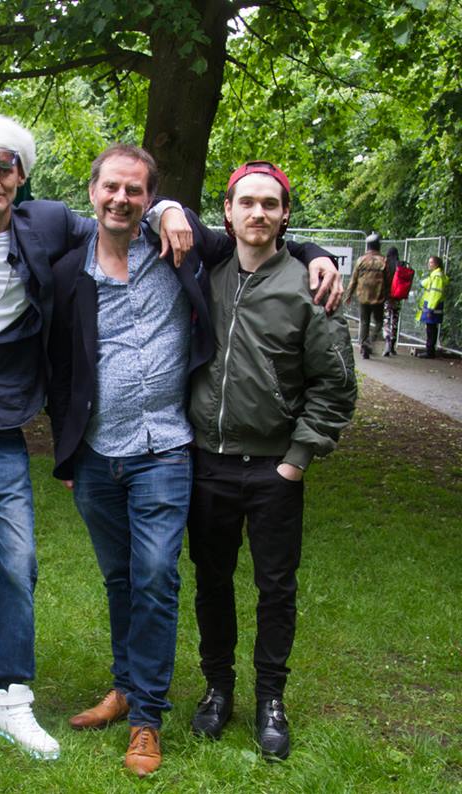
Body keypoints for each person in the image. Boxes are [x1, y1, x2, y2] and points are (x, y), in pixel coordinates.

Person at [0, 121, 340, 761]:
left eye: (7, 168)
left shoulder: (118, 236)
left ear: (23, 176)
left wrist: (309, 250)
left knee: (92, 571)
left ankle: (80, 704)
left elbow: (238, 233)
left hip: (92, 440)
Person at [46, 149, 341, 776]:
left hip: (167, 449)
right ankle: (126, 687)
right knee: (121, 578)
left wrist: (319, 254)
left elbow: (264, 237)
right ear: (92, 192)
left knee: (156, 575)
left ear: (151, 199)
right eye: (111, 187)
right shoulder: (68, 268)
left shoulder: (180, 250)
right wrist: (66, 448)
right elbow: (59, 361)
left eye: (136, 191)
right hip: (98, 453)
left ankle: (148, 719)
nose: (121, 199)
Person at [186, 161, 356, 762]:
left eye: (270, 204)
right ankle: (218, 688)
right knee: (211, 582)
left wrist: (297, 459)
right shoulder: (204, 276)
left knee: (275, 587)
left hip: (274, 468)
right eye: (247, 202)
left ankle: (270, 699)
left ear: (285, 216)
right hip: (207, 463)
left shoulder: (310, 286)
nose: (258, 213)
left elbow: (335, 384)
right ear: (228, 212)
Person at [343, 232, 387, 359]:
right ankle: (370, 342)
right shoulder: (383, 261)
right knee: (379, 322)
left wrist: (348, 295)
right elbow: (388, 280)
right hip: (378, 297)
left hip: (363, 296)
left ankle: (363, 347)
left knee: (364, 322)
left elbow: (353, 280)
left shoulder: (361, 260)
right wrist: (389, 295)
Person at [415, 255, 448, 358]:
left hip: (432, 306)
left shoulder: (437, 276)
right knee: (431, 329)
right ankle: (430, 351)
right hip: (432, 305)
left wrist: (430, 309)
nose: (429, 264)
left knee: (431, 329)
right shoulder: (435, 275)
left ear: (436, 264)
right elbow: (427, 283)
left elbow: (435, 294)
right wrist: (421, 283)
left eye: (431, 262)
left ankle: (430, 352)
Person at [382, 246, 413, 356]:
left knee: (386, 319)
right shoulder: (401, 264)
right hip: (398, 296)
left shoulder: (385, 264)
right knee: (395, 320)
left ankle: (387, 340)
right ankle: (392, 345)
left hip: (387, 296)